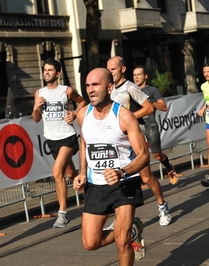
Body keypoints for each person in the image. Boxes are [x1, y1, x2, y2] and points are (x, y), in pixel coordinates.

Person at [73, 67, 149, 264]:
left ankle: (126, 234)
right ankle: (133, 229)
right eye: (88, 85)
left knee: (122, 241)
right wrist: (82, 172)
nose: (90, 89)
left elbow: (143, 156)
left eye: (95, 85)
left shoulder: (124, 116)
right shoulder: (82, 115)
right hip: (96, 184)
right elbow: (84, 141)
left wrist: (122, 172)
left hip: (125, 184)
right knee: (90, 242)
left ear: (109, 87)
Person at [107, 56, 171, 227]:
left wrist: (128, 118)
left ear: (122, 69)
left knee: (147, 178)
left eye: (113, 69)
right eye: (108, 69)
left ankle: (162, 205)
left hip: (133, 137)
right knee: (116, 178)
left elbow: (149, 108)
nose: (110, 72)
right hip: (117, 140)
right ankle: (119, 217)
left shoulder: (130, 87)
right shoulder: (109, 88)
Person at [32, 58, 86, 228]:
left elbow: (83, 101)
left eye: (50, 70)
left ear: (57, 73)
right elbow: (36, 119)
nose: (46, 72)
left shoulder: (67, 91)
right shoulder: (39, 93)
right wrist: (35, 106)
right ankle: (95, 199)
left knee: (56, 172)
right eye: (44, 70)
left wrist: (75, 114)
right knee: (71, 175)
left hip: (67, 137)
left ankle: (62, 213)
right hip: (52, 140)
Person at [132, 65, 179, 185]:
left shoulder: (152, 90)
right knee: (139, 155)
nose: (136, 77)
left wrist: (150, 102)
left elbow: (163, 107)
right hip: (136, 126)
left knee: (157, 155)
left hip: (150, 125)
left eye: (139, 74)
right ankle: (144, 180)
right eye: (134, 75)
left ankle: (168, 166)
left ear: (145, 76)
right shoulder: (131, 90)